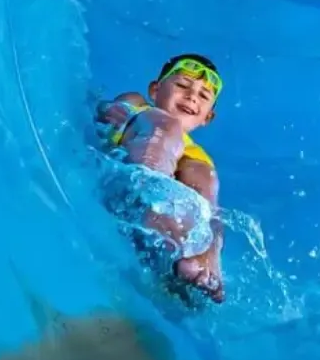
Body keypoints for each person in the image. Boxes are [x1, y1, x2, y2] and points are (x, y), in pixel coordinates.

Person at [94, 53, 226, 303]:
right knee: (165, 125)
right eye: (182, 85)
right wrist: (111, 110)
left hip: (159, 213)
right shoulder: (139, 105)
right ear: (155, 90)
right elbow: (103, 110)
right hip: (128, 175)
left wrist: (211, 254)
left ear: (207, 117)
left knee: (205, 178)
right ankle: (143, 190)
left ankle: (201, 260)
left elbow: (213, 215)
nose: (191, 97)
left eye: (203, 96)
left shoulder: (197, 158)